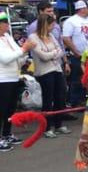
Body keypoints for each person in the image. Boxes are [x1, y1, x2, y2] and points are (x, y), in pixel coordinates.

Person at [29, 15, 71, 138]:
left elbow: (61, 50)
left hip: (57, 69)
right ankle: (46, 127)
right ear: (44, 25)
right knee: (48, 99)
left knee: (60, 96)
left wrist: (51, 54)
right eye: (51, 25)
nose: (53, 27)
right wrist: (53, 54)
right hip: (44, 72)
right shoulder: (33, 37)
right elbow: (43, 56)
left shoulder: (51, 36)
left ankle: (58, 124)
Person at [0, 13, 35, 152]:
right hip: (2, 79)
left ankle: (7, 134)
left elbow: (17, 55)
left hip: (13, 77)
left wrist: (24, 55)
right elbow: (5, 59)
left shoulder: (7, 37)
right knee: (2, 110)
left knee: (10, 109)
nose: (7, 25)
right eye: (4, 22)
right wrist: (23, 49)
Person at [63, 0, 88, 107]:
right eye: (85, 8)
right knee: (77, 79)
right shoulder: (71, 21)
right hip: (78, 55)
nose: (87, 10)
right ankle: (74, 101)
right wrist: (75, 51)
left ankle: (84, 99)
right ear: (81, 9)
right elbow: (66, 38)